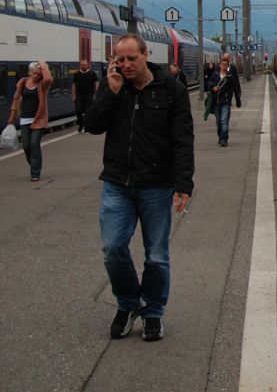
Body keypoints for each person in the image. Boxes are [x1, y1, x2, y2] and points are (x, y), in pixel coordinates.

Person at [86, 34, 194, 342]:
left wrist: (184, 182)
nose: (126, 64)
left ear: (146, 55)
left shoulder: (172, 90)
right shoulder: (114, 87)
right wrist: (111, 92)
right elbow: (92, 125)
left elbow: (183, 139)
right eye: (120, 59)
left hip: (157, 186)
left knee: (156, 256)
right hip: (117, 184)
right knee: (112, 249)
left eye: (132, 58)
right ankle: (129, 303)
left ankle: (153, 313)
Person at [8, 60, 52, 182]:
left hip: (39, 118)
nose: (37, 76)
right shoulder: (22, 82)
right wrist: (12, 114)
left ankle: (35, 173)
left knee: (34, 144)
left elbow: (49, 79)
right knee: (26, 146)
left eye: (39, 74)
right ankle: (34, 165)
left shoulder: (43, 84)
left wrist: (43, 66)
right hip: (25, 119)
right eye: (35, 73)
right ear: (30, 72)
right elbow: (16, 98)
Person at [209, 54, 241, 147]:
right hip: (216, 101)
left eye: (225, 64)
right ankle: (220, 137)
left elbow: (235, 88)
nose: (223, 66)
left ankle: (224, 139)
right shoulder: (215, 75)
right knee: (218, 122)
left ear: (227, 66)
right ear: (220, 65)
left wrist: (238, 100)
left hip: (226, 101)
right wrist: (213, 87)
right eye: (222, 64)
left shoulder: (230, 77)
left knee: (224, 120)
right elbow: (209, 83)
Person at [72, 60, 99, 133]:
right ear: (80, 65)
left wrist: (95, 94)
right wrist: (74, 95)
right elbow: (74, 85)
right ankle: (81, 124)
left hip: (89, 95)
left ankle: (86, 127)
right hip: (79, 95)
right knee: (78, 111)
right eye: (82, 65)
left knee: (88, 112)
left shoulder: (92, 73)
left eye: (85, 65)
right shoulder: (77, 74)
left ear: (87, 65)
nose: (83, 66)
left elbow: (96, 83)